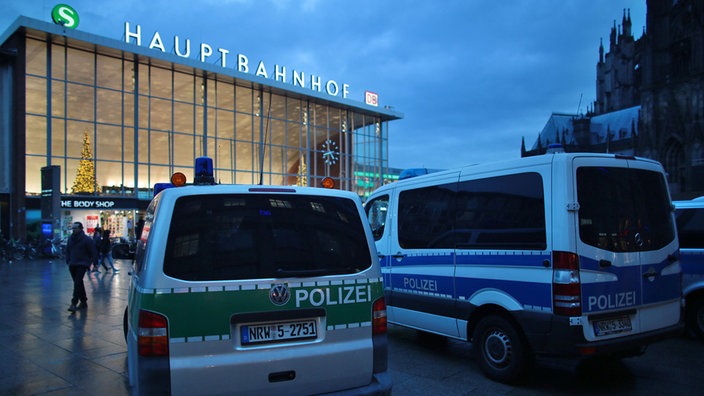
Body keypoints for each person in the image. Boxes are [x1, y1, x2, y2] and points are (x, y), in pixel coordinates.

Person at [65, 222, 98, 312]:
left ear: (80, 229)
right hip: (72, 263)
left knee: (77, 282)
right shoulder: (70, 239)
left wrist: (95, 263)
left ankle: (74, 303)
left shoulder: (87, 240)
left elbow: (93, 252)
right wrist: (68, 259)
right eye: (73, 228)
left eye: (75, 228)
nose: (74, 230)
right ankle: (83, 301)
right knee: (78, 283)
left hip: (82, 264)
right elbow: (68, 249)